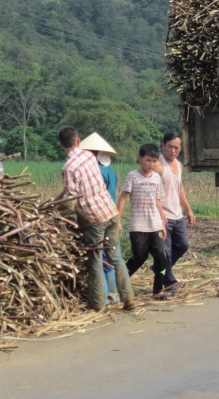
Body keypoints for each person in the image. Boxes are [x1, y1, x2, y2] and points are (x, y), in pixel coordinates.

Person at [54, 127, 135, 311]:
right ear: (78, 141)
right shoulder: (89, 157)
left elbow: (71, 201)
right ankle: (128, 298)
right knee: (116, 257)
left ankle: (97, 304)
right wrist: (56, 200)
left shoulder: (68, 168)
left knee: (95, 260)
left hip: (93, 219)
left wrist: (54, 209)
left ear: (60, 144)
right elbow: (71, 191)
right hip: (110, 211)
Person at [117, 144, 170, 301]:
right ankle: (120, 284)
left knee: (161, 258)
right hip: (138, 226)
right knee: (139, 257)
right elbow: (123, 198)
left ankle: (157, 290)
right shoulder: (133, 176)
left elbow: (158, 201)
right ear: (140, 159)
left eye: (154, 161)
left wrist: (163, 221)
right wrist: (118, 220)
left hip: (155, 225)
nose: (151, 164)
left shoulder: (156, 178)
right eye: (148, 160)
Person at [152, 132, 195, 292]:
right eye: (170, 146)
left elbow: (180, 189)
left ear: (181, 148)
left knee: (183, 245)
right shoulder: (157, 164)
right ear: (163, 145)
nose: (173, 150)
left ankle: (160, 268)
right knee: (166, 252)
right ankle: (168, 280)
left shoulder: (179, 165)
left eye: (176, 147)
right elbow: (152, 190)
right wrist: (160, 214)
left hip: (177, 215)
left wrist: (188, 210)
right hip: (163, 216)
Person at [79, 132, 119, 303]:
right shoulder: (110, 171)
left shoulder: (93, 172)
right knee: (111, 255)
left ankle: (103, 297)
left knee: (98, 257)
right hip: (111, 214)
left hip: (96, 216)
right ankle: (115, 294)